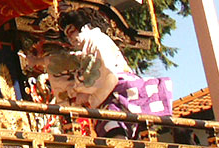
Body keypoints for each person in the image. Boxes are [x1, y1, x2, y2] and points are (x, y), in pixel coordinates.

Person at [59, 9, 173, 138]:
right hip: (110, 88)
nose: (70, 39)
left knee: (111, 119)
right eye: (67, 36)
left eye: (71, 32)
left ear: (84, 27)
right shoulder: (90, 46)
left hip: (118, 85)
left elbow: (103, 73)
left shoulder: (98, 42)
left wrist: (85, 93)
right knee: (112, 120)